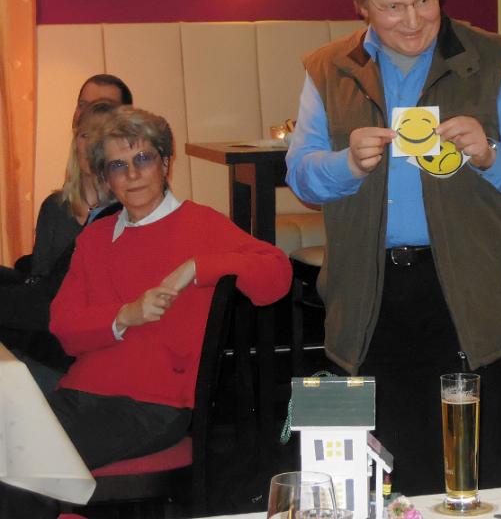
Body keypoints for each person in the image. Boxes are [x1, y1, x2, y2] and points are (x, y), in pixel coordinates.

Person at [285, 0, 501, 494]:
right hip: (367, 295)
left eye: (424, 1)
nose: (413, 20)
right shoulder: (328, 68)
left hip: (472, 295)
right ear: (363, 7)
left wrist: (490, 153)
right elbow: (301, 175)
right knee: (373, 472)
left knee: (472, 473)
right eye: (393, 7)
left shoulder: (494, 57)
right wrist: (345, 164)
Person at [0, 106, 292, 518]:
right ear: (106, 178)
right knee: (9, 452)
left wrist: (196, 267)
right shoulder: (95, 238)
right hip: (80, 394)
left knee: (21, 464)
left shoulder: (201, 225)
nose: (133, 174)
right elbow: (63, 327)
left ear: (165, 163)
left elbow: (277, 275)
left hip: (152, 406)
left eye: (143, 158)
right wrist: (125, 315)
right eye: (118, 165)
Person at [0, 74, 132, 371]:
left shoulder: (123, 215)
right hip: (49, 335)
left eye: (103, 133)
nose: (92, 144)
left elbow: (49, 305)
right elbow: (40, 285)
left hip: (80, 356)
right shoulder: (56, 207)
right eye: (85, 134)